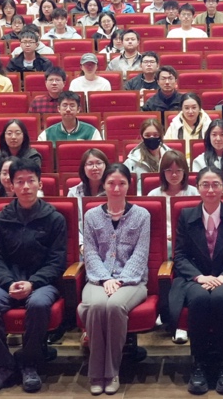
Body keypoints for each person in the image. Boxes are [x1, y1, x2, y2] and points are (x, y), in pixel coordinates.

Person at [0, 158, 69, 394]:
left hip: (42, 283)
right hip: (7, 282)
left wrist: (33, 283)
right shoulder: (0, 219)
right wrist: (9, 283)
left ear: (40, 184)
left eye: (31, 181)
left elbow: (57, 261)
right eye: (20, 181)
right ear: (11, 185)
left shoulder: (54, 218)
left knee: (38, 304)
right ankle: (3, 366)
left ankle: (30, 364)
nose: (26, 186)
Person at [171, 167, 223, 395]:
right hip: (195, 278)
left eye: (215, 184)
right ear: (197, 188)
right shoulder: (186, 215)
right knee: (198, 299)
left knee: (219, 298)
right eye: (205, 184)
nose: (210, 189)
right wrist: (200, 277)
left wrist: (222, 277)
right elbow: (180, 256)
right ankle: (199, 363)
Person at [79, 164, 151, 396]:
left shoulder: (142, 215)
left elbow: (140, 254)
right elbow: (90, 253)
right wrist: (104, 279)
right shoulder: (91, 215)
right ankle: (96, 373)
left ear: (129, 185)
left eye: (122, 183)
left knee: (114, 305)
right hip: (97, 280)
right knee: (96, 305)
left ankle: (111, 372)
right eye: (111, 183)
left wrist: (120, 281)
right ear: (103, 185)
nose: (116, 188)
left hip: (132, 281)